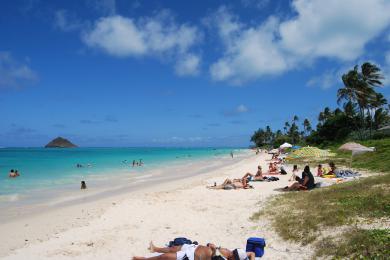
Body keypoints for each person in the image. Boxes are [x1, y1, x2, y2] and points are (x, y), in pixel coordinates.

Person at [133, 241, 213, 260]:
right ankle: (155, 249)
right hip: (194, 247)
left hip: (191, 256)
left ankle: (143, 259)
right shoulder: (224, 253)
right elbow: (211, 245)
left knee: (164, 257)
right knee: (172, 249)